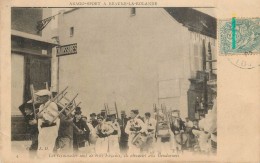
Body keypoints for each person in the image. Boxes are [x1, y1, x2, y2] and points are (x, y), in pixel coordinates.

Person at [36, 89, 60, 158]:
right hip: (43, 129)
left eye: (41, 96)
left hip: (50, 129)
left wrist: (43, 116)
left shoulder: (52, 104)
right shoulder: (41, 106)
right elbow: (40, 120)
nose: (39, 98)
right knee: (41, 149)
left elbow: (54, 118)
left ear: (46, 97)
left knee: (49, 149)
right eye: (39, 96)